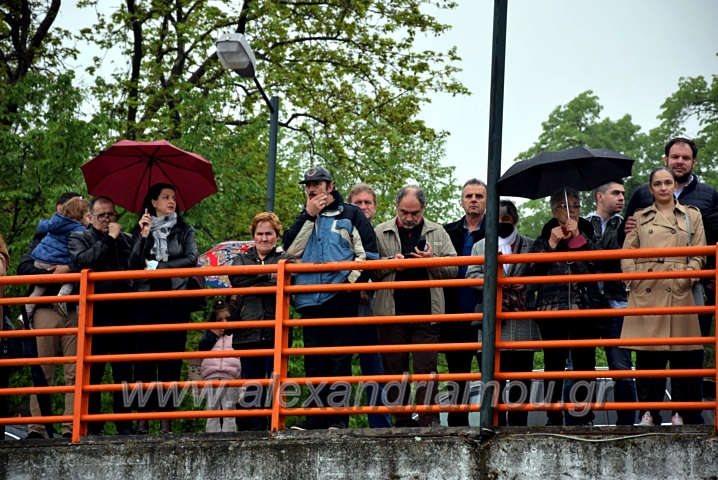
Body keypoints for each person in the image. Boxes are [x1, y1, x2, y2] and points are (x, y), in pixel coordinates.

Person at [622, 137, 718, 424]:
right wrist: (634, 279)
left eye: (667, 183)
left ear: (675, 185)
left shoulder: (694, 213)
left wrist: (688, 277)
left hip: (681, 289)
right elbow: (626, 251)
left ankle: (680, 412)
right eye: (657, 184)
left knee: (682, 354)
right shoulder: (640, 214)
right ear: (650, 188)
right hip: (647, 291)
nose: (663, 187)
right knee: (647, 357)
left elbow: (701, 250)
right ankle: (648, 412)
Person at [283, 166, 378, 430]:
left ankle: (338, 419)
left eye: (318, 183)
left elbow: (369, 255)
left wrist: (349, 287)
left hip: (341, 297)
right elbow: (289, 250)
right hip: (308, 299)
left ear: (331, 186)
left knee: (339, 359)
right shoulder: (305, 216)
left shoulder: (351, 213)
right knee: (314, 361)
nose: (312, 189)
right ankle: (315, 418)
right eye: (308, 185)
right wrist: (308, 215)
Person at [373, 186, 458, 427]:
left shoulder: (438, 232)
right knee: (394, 368)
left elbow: (454, 270)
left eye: (415, 213)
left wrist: (431, 262)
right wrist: (392, 264)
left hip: (427, 312)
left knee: (426, 368)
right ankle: (401, 419)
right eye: (404, 212)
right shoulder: (380, 231)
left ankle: (429, 418)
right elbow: (368, 270)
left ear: (424, 209)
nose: (409, 218)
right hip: (391, 312)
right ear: (396, 208)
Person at [129, 183, 199, 434]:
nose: (172, 201)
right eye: (166, 197)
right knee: (143, 361)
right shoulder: (139, 229)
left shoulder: (184, 230)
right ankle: (142, 419)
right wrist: (143, 236)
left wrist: (159, 267)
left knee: (170, 361)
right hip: (144, 302)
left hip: (174, 300)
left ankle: (166, 419)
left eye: (174, 197)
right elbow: (132, 265)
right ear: (153, 202)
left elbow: (191, 259)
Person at [530, 187, 602, 426]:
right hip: (552, 309)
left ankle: (583, 417)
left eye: (576, 205)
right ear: (554, 211)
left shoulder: (589, 233)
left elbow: (599, 262)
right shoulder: (544, 236)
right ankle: (553, 417)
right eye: (565, 206)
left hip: (584, 307)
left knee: (585, 365)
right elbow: (533, 270)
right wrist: (551, 243)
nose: (571, 210)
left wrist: (579, 238)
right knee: (553, 365)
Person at [466, 200, 540, 426]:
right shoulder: (480, 246)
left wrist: (522, 284)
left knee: (521, 384)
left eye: (506, 219)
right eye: (497, 220)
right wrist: (496, 282)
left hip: (523, 323)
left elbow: (540, 276)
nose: (501, 223)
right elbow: (471, 275)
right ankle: (493, 426)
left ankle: (518, 428)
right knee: (492, 383)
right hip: (492, 324)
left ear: (515, 220)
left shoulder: (530, 244)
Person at [18, 191, 82, 439]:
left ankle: (71, 428)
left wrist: (69, 268)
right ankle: (37, 428)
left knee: (74, 373)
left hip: (74, 309)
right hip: (45, 309)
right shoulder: (42, 236)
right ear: (60, 208)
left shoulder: (84, 234)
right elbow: (24, 267)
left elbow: (91, 261)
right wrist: (52, 274)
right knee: (42, 370)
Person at [68, 196, 135, 435]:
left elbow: (137, 263)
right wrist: (110, 239)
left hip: (123, 311)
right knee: (93, 371)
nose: (107, 219)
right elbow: (84, 260)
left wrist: (144, 236)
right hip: (94, 313)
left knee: (124, 372)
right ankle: (93, 426)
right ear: (90, 217)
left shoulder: (125, 238)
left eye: (111, 215)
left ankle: (124, 424)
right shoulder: (79, 237)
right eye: (102, 215)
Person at [228, 212, 291, 431]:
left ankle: (275, 425)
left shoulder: (284, 258)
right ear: (253, 236)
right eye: (260, 233)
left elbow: (290, 278)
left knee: (276, 378)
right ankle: (254, 427)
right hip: (248, 329)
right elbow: (237, 278)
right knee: (252, 381)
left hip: (276, 328)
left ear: (277, 235)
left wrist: (253, 281)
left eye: (269, 233)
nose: (264, 238)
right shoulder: (241, 258)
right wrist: (268, 276)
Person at [584, 181, 637, 426]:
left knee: (622, 368)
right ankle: (579, 423)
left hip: (618, 304)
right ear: (600, 196)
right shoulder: (583, 224)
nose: (621, 197)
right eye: (615, 193)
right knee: (580, 369)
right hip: (587, 306)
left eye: (623, 194)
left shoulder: (629, 225)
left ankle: (626, 425)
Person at [347, 183, 392, 429]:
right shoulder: (341, 232)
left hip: (374, 311)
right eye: (358, 203)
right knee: (340, 366)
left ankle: (380, 425)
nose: (363, 207)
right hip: (344, 309)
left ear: (375, 207)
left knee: (375, 368)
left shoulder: (382, 234)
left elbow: (384, 268)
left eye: (368, 202)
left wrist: (367, 284)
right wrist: (358, 286)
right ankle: (337, 422)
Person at [442, 178, 486, 426]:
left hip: (486, 315)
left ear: (487, 202)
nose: (473, 200)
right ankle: (457, 428)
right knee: (457, 375)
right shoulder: (447, 231)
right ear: (461, 201)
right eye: (469, 196)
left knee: (489, 374)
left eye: (479, 196)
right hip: (454, 314)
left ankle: (492, 423)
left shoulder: (495, 231)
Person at [26, 197, 91, 319]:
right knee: (72, 279)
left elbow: (42, 225)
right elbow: (89, 239)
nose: (89, 218)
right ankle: (61, 298)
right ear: (80, 215)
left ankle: (25, 313)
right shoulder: (79, 229)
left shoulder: (54, 222)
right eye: (88, 216)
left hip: (39, 260)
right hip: (55, 262)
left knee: (38, 290)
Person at [198, 300, 241, 433]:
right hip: (211, 376)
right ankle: (211, 439)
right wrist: (213, 334)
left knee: (229, 412)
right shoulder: (209, 335)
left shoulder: (236, 335)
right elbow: (202, 348)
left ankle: (229, 438)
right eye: (219, 320)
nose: (224, 323)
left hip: (230, 376)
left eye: (227, 318)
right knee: (212, 412)